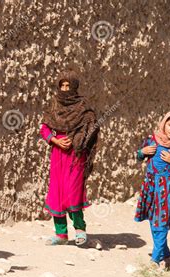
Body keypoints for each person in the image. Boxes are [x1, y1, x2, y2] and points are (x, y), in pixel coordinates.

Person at [40, 70, 99, 246]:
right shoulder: (54, 105)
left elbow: (91, 127)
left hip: (76, 155)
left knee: (73, 191)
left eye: (68, 85)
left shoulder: (83, 106)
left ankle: (80, 229)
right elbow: (44, 127)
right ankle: (61, 234)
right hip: (58, 154)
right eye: (62, 85)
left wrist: (75, 140)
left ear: (75, 87)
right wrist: (55, 140)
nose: (65, 89)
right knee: (57, 192)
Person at [134, 110, 170, 269]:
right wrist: (142, 152)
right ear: (163, 124)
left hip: (166, 187)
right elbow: (139, 157)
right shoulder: (152, 140)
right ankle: (164, 253)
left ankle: (155, 259)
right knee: (153, 218)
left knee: (161, 220)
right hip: (150, 185)